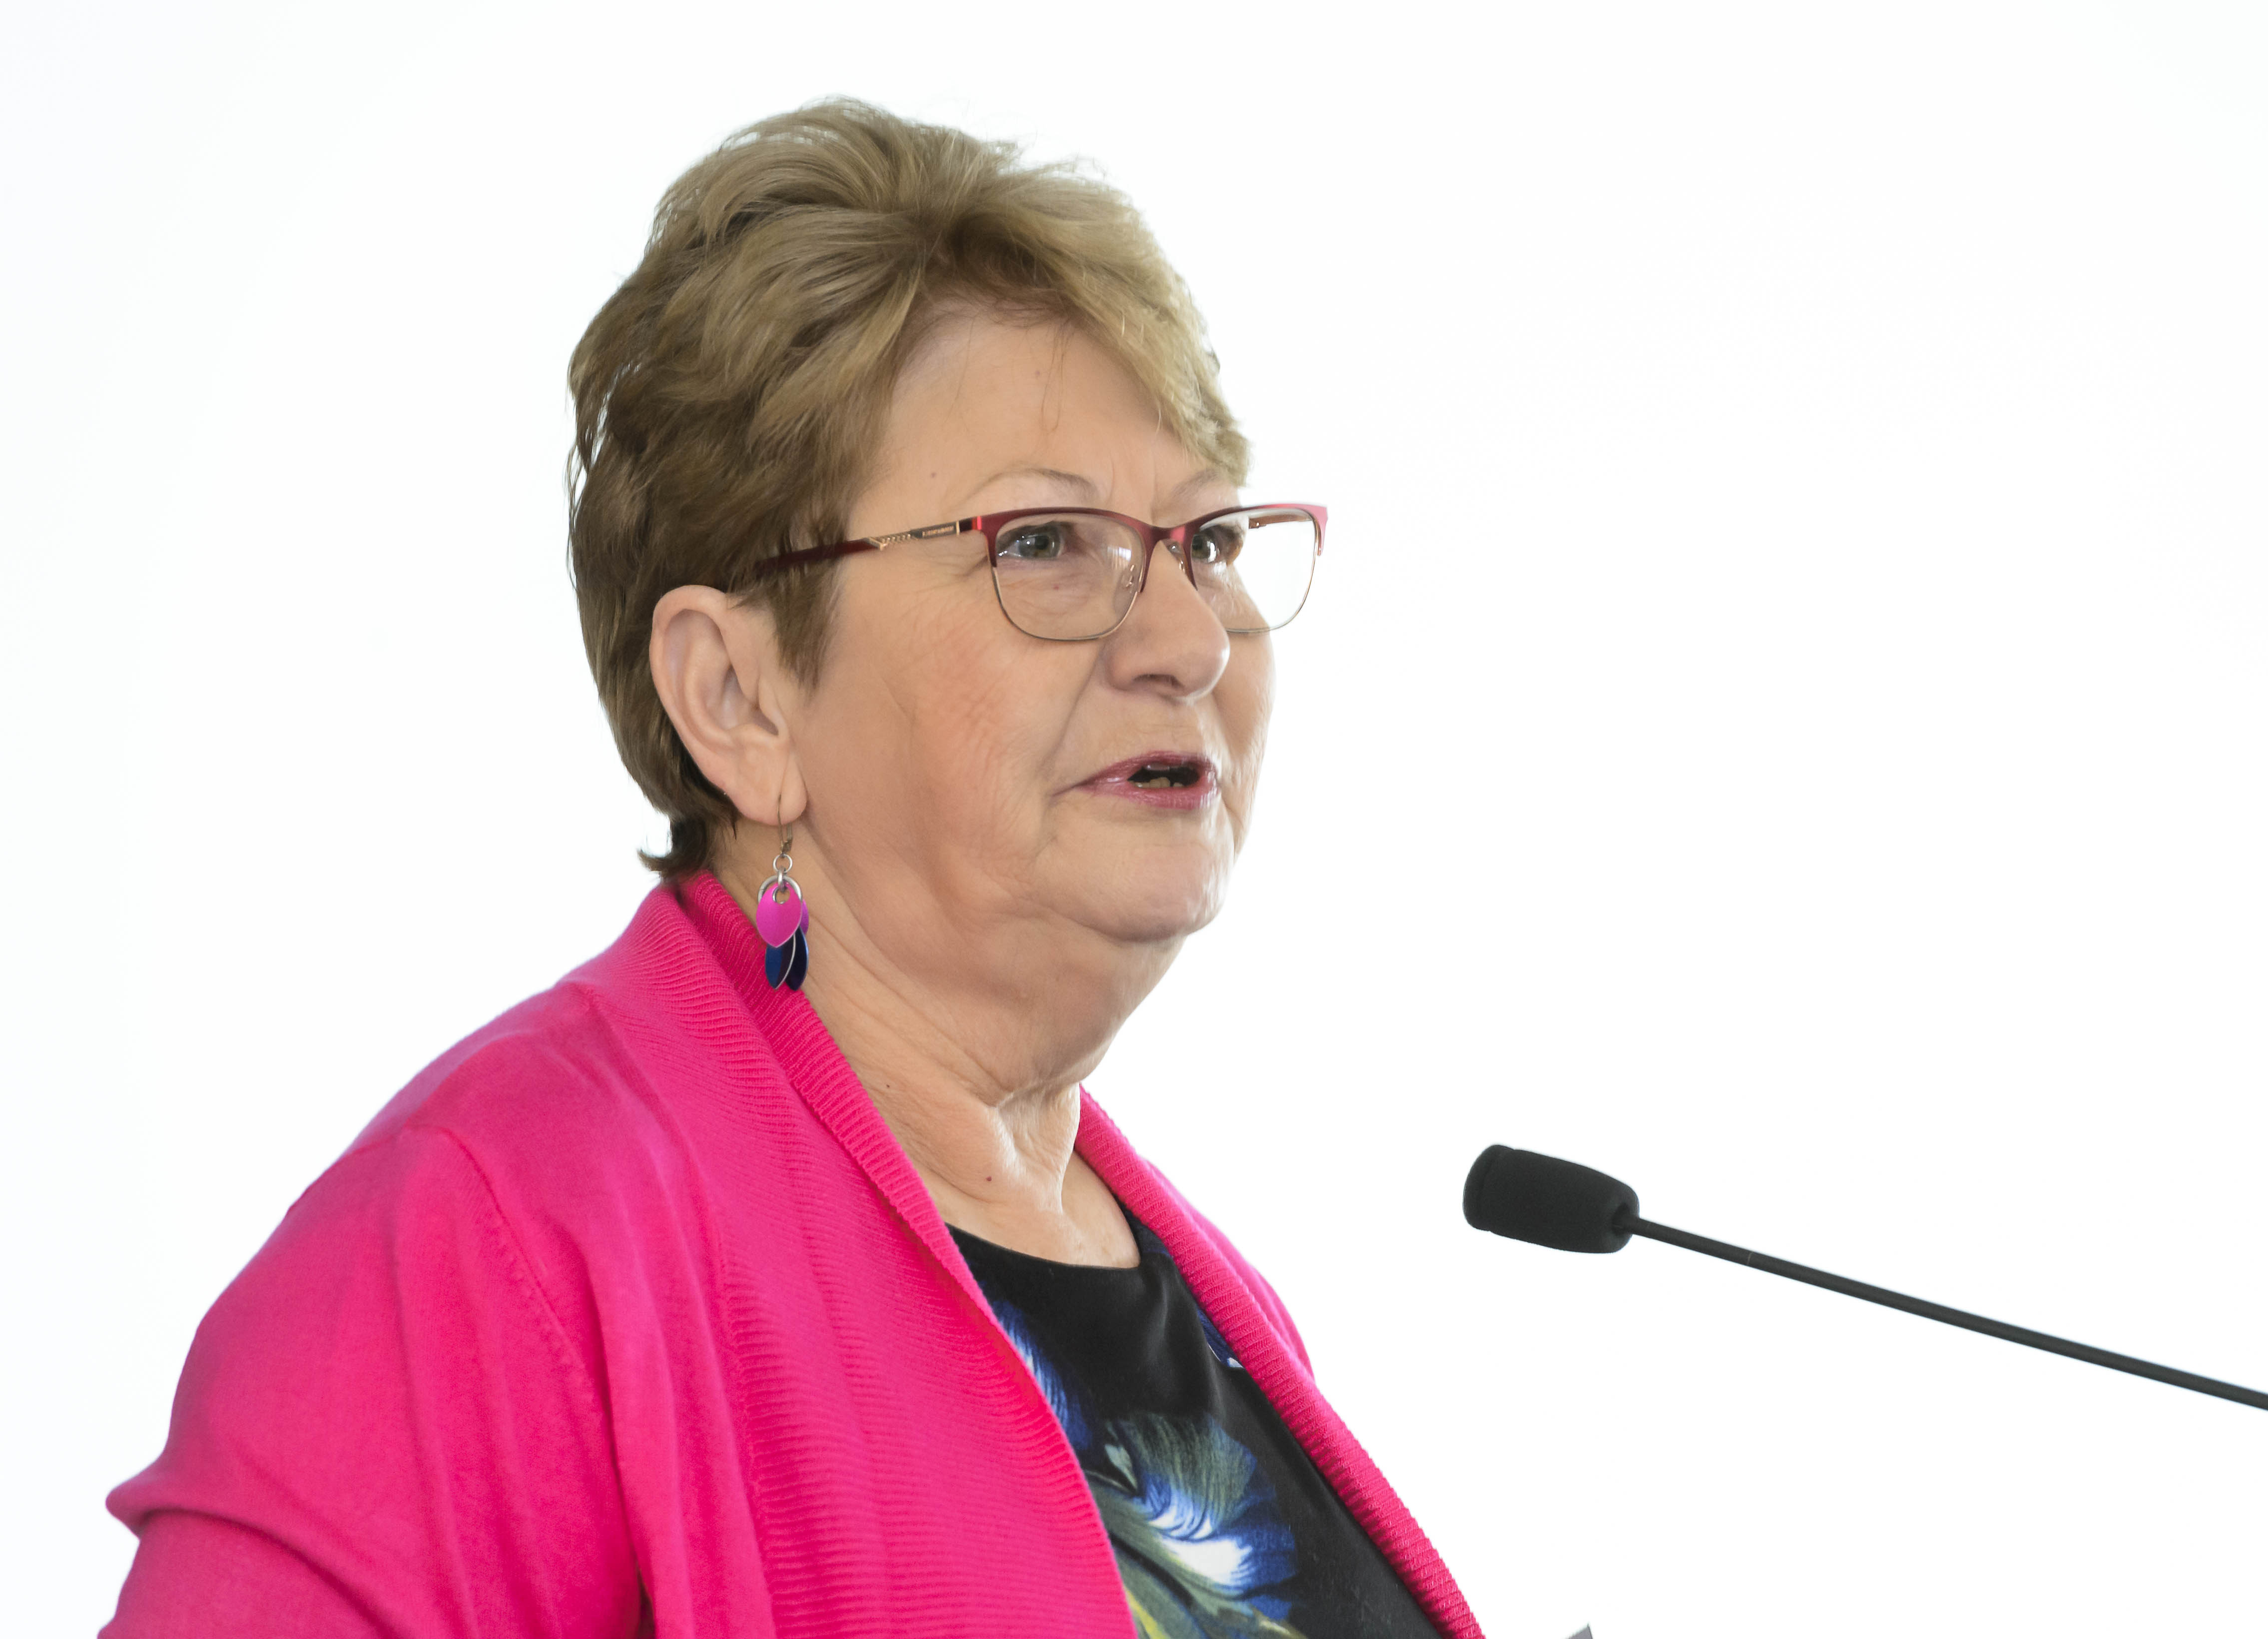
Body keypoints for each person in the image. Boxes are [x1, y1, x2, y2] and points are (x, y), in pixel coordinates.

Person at [102, 99, 1480, 1639]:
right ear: (740, 699)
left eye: (1207, 541)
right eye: (1044, 542)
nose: (1188, 639)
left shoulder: (1211, 1305)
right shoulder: (484, 1243)